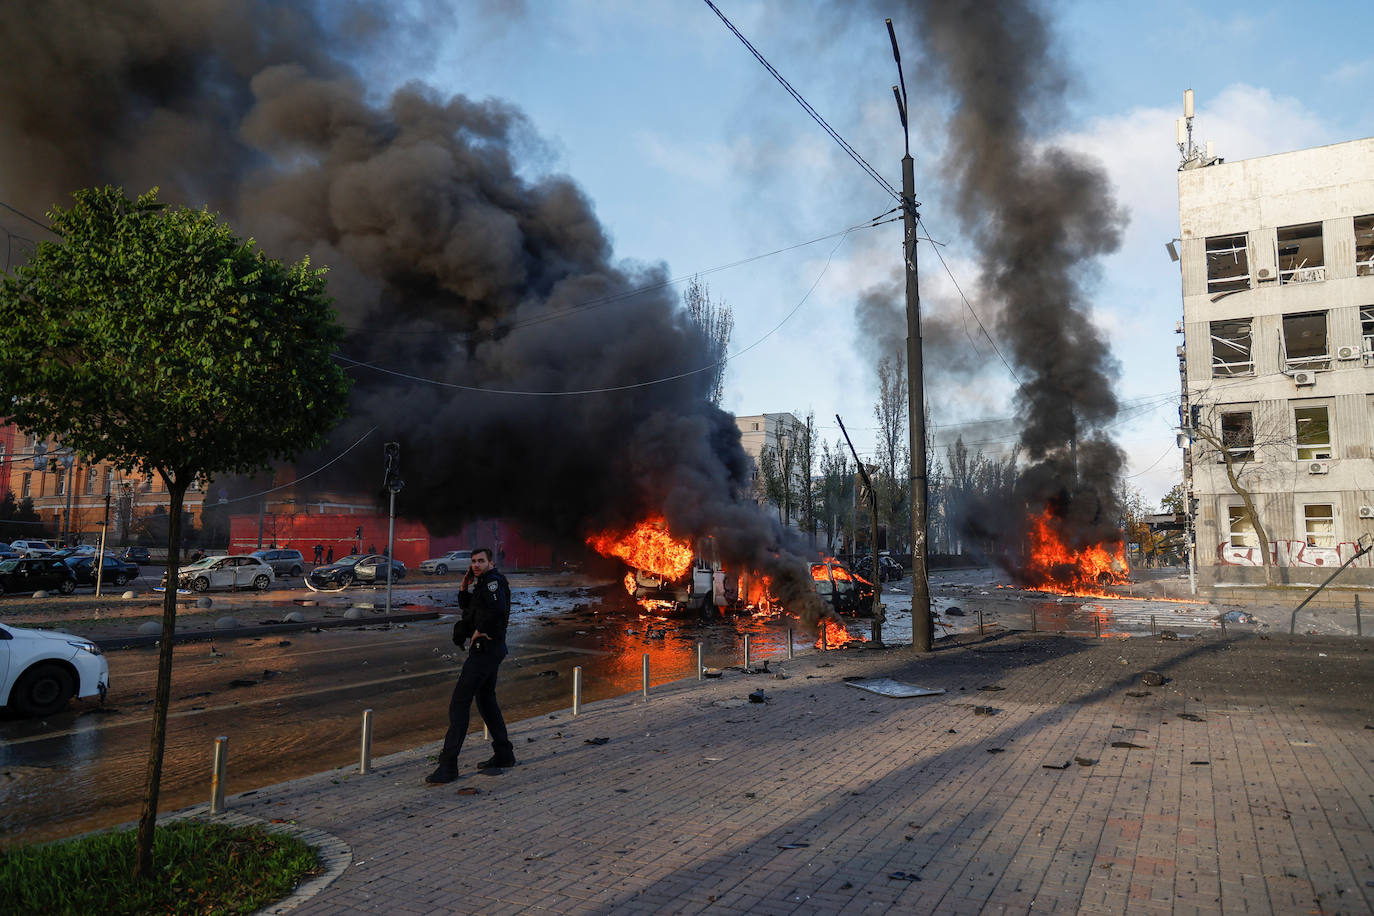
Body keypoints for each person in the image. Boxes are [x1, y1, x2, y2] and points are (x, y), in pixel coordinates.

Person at [427, 547, 516, 783]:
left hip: (485, 651)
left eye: (481, 561)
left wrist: (480, 630)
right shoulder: (482, 582)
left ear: (491, 562)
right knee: (486, 701)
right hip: (490, 650)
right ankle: (504, 753)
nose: (476, 565)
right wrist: (464, 585)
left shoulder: (493, 582)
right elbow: (470, 609)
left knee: (459, 703)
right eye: (473, 561)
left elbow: (497, 610)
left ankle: (448, 765)